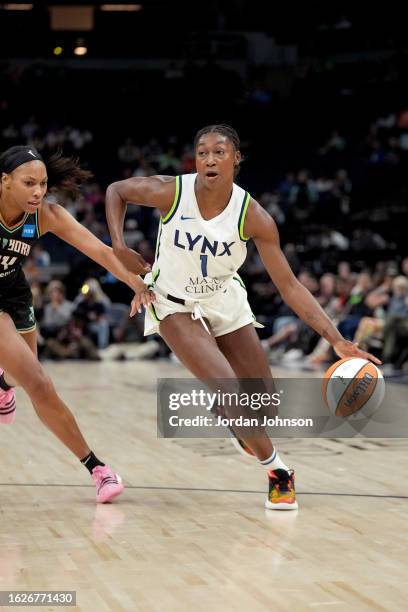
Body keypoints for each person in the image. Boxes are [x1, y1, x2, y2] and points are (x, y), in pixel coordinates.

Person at [105, 124, 380, 510]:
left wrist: (334, 338)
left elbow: (290, 287)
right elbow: (116, 190)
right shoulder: (173, 192)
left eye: (219, 152)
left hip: (223, 299)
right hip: (172, 304)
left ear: (236, 158)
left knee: (263, 404)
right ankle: (279, 473)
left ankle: (239, 423)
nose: (210, 159)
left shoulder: (254, 217)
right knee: (229, 389)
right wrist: (118, 245)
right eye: (202, 153)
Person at [0, 145, 153, 503]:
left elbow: (100, 251)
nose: (38, 191)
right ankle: (98, 469)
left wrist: (137, 283)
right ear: (4, 181)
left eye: (43, 183)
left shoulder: (45, 215)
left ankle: (3, 384)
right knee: (39, 381)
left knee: (25, 376)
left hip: (14, 292)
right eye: (29, 183)